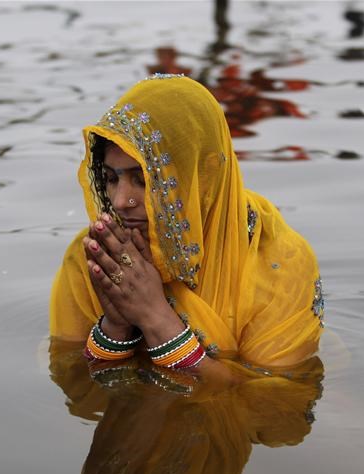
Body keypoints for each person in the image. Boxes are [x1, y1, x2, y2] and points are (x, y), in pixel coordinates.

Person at [50, 74, 324, 377]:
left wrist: (156, 319)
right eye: (111, 179)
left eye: (143, 180)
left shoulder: (276, 262)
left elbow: (276, 401)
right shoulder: (98, 256)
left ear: (201, 177)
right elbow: (70, 380)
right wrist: (115, 328)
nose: (119, 201)